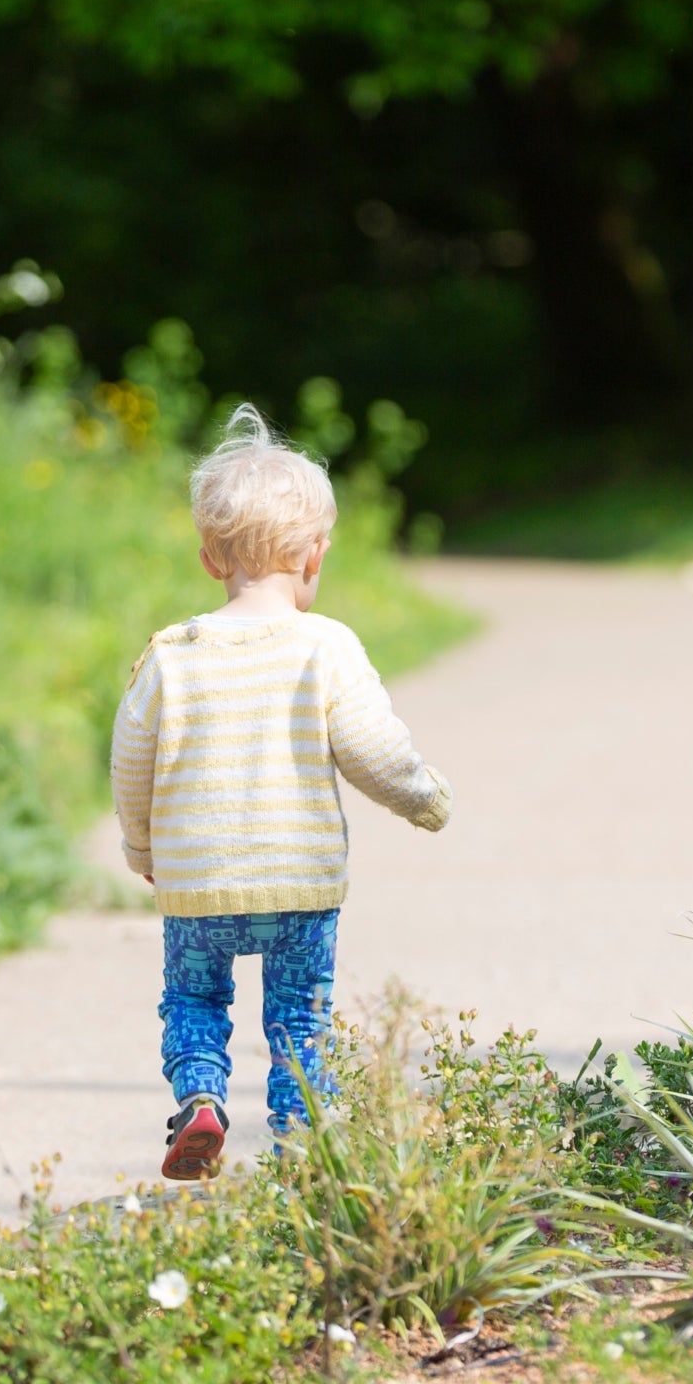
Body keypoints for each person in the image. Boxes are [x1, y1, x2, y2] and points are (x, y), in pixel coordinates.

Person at [110, 405, 452, 1179]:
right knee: (299, 1019)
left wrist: (142, 846)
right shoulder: (324, 644)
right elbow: (372, 748)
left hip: (199, 884)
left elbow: (131, 758)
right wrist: (423, 798)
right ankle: (301, 1151)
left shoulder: (172, 654)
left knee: (195, 1001)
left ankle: (200, 1098)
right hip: (300, 883)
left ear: (209, 559)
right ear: (313, 555)